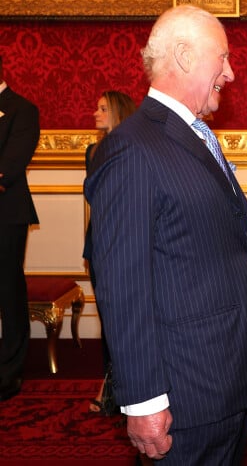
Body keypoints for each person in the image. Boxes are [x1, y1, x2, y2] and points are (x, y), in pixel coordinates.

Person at [83, 5, 247, 465]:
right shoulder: (133, 148)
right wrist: (146, 400)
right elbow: (123, 286)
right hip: (184, 393)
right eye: (223, 59)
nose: (230, 74)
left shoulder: (189, 135)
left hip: (223, 379)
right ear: (184, 56)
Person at [84, 90, 136, 415]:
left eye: (102, 108)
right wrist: (89, 248)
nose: (95, 113)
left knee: (125, 319)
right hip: (99, 242)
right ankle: (111, 389)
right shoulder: (92, 151)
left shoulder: (134, 149)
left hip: (125, 243)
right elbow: (93, 206)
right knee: (106, 318)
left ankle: (126, 388)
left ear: (117, 112)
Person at [0, 55, 40, 402]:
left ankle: (9, 372)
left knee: (8, 291)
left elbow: (10, 166)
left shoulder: (22, 109)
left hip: (6, 215)